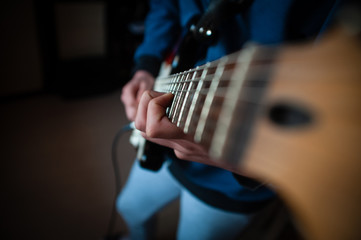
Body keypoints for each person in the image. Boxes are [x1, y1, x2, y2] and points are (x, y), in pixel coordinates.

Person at [117, 0, 341, 239]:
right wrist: (146, 64)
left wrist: (252, 163)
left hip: (230, 182)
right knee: (128, 207)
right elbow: (165, 6)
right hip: (166, 136)